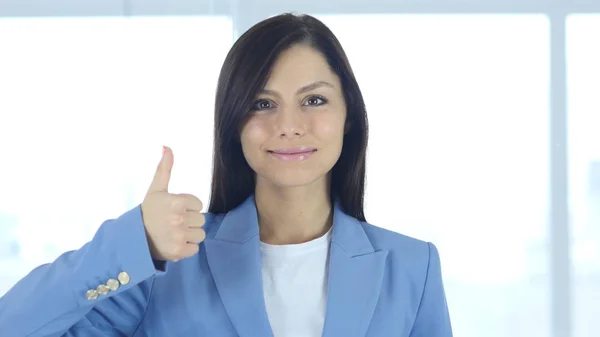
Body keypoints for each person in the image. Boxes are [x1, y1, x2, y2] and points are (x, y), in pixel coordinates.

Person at [0, 13, 452, 337]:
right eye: (262, 103)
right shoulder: (166, 266)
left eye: (314, 100)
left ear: (349, 115)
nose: (289, 125)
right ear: (233, 122)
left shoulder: (413, 269)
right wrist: (133, 241)